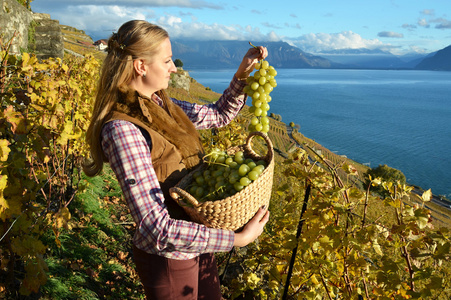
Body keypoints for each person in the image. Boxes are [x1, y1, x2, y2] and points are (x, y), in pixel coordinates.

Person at [83, 20, 269, 299]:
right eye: (167, 60)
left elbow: (218, 115)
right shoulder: (123, 130)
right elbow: (154, 228)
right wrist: (235, 239)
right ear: (141, 66)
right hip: (169, 255)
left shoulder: (162, 104)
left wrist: (242, 75)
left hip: (198, 240)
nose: (174, 68)